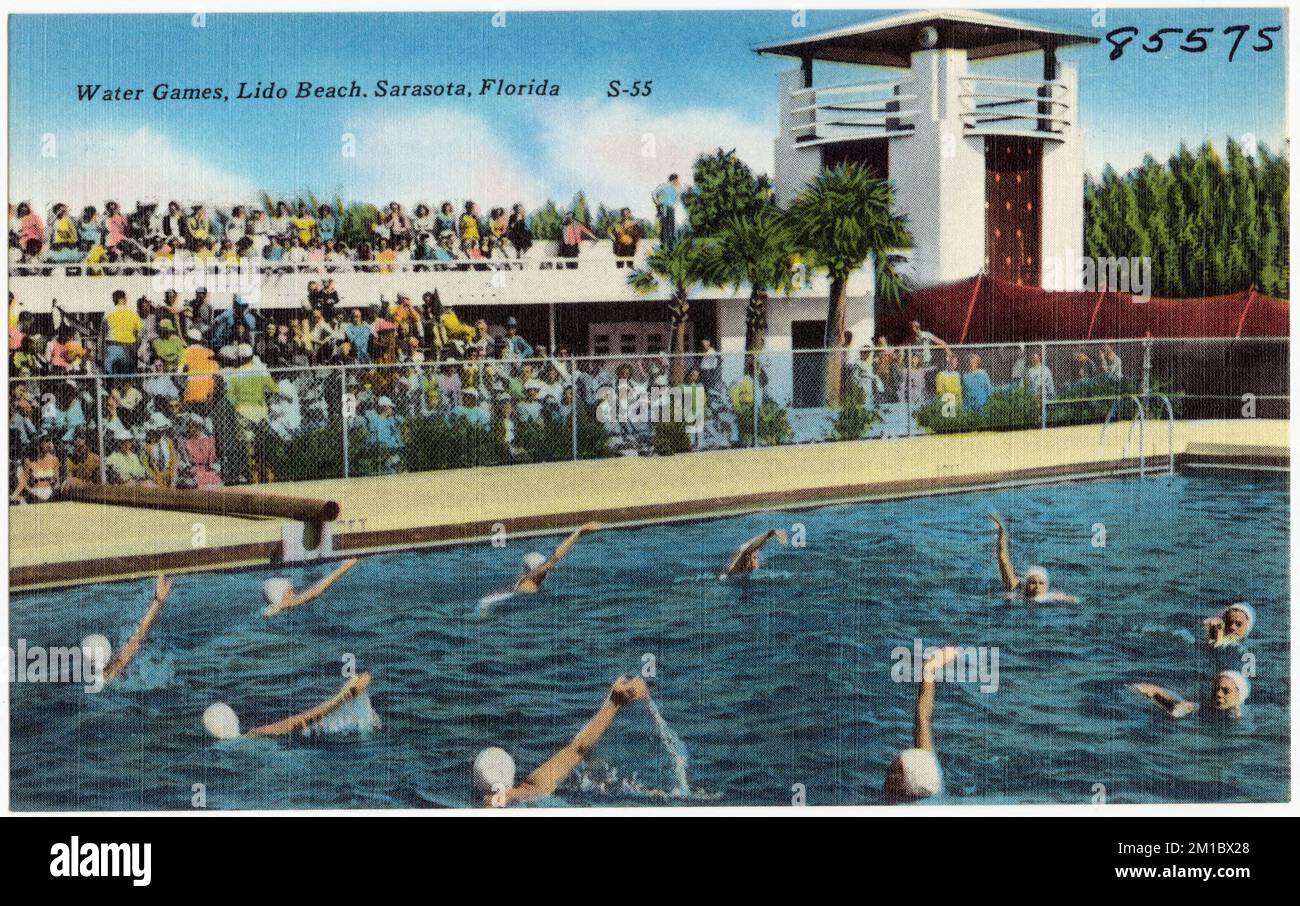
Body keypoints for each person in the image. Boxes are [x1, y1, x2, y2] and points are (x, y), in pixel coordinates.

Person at [474, 676, 651, 807]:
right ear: (511, 774)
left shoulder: (489, 805)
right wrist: (614, 702)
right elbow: (577, 749)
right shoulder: (536, 787)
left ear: (477, 784)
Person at [883, 646, 961, 804]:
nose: (889, 769)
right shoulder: (928, 786)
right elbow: (923, 719)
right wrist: (929, 669)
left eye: (895, 772)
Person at [990, 511, 1076, 603]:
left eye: (1041, 583)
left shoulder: (1051, 597)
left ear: (1046, 586)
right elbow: (1003, 558)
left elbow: (1075, 600)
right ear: (1026, 584)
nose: (1037, 587)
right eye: (1033, 582)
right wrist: (1002, 532)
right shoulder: (1015, 589)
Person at [513, 521, 600, 593]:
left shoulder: (522, 582)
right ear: (536, 568)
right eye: (543, 567)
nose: (546, 572)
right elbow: (555, 558)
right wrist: (579, 533)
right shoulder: (530, 580)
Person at [1131, 670, 1250, 720]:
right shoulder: (1200, 707)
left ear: (1239, 695)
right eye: (1216, 689)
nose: (1218, 694)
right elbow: (1178, 706)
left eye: (1226, 691)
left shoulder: (1245, 719)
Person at [262, 558, 360, 617]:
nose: (294, 594)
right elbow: (314, 592)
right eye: (289, 592)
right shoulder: (286, 605)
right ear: (279, 596)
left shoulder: (271, 608)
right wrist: (345, 566)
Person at [720, 528, 787, 579]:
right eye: (755, 558)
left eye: (758, 559)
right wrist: (771, 533)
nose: (757, 563)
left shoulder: (743, 571)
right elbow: (746, 549)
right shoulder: (733, 570)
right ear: (748, 558)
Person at [652, 173, 684, 248]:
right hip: (664, 208)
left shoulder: (676, 188)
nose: (678, 181)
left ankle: (670, 246)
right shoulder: (665, 186)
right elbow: (654, 193)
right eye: (677, 179)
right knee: (665, 227)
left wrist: (674, 205)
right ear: (674, 179)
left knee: (671, 227)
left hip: (670, 209)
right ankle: (664, 246)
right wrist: (658, 203)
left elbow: (678, 198)